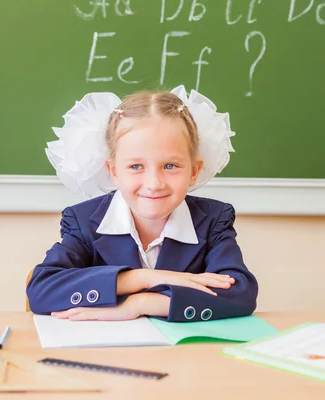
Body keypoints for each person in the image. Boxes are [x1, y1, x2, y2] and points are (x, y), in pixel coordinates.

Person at [26, 85, 258, 322]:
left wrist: (141, 303)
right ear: (113, 171)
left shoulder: (213, 220)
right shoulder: (85, 221)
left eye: (170, 166)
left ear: (194, 171)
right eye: (136, 166)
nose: (154, 183)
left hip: (181, 356)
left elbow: (241, 294)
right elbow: (42, 289)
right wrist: (144, 278)